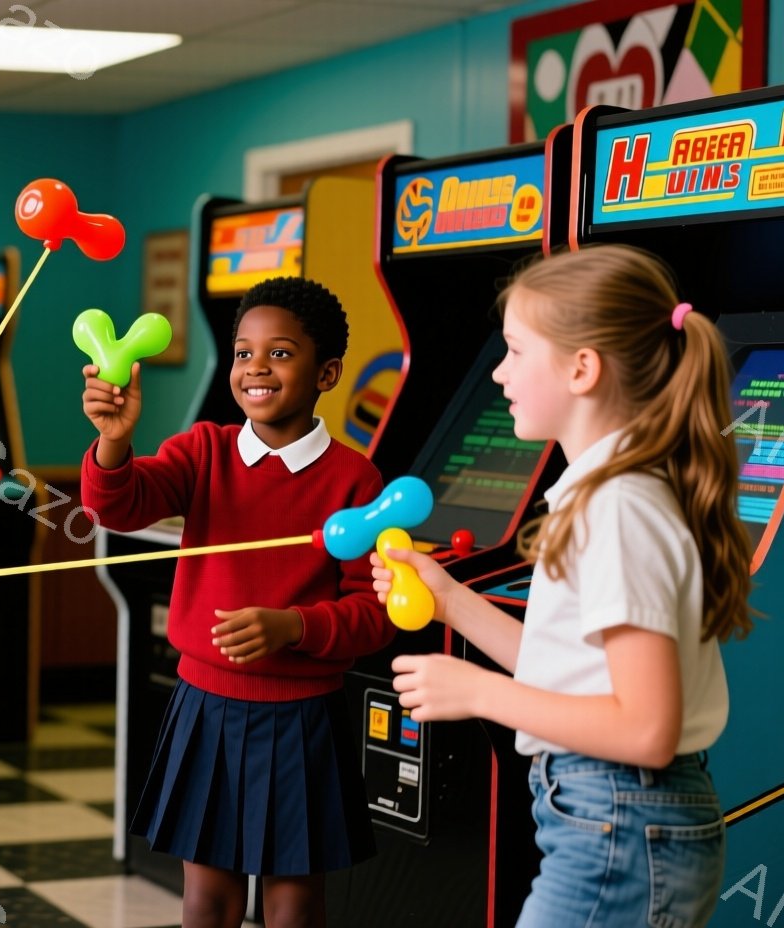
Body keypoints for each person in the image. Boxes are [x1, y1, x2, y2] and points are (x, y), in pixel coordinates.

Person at [374, 244, 749, 928]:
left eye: (516, 350)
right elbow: (574, 674)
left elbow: (645, 728)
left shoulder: (617, 508)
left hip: (621, 816)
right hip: (614, 815)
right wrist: (451, 599)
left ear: (582, 369)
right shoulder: (609, 493)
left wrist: (480, 693)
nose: (497, 371)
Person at [81, 277, 394, 928]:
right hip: (207, 707)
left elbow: (374, 613)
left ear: (327, 372)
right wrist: (113, 439)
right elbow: (115, 503)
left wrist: (294, 626)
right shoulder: (203, 450)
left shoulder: (355, 478)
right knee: (208, 897)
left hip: (303, 716)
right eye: (244, 352)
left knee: (294, 900)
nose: (256, 368)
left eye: (280, 353)